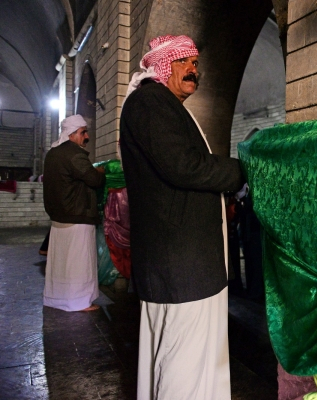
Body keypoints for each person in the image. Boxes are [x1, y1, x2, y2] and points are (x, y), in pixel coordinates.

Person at [120, 35, 244, 400]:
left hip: (185, 263)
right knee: (183, 358)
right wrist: (242, 172)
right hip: (179, 263)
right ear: (162, 65)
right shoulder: (149, 102)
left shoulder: (164, 105)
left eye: (195, 63)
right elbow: (183, 166)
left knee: (191, 354)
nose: (194, 70)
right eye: (184, 62)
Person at [43, 114, 105, 312]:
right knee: (79, 264)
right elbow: (94, 180)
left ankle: (58, 298)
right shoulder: (74, 154)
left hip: (59, 217)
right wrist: (100, 173)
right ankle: (80, 301)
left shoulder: (52, 153)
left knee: (61, 264)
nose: (86, 137)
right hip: (77, 216)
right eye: (83, 132)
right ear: (71, 134)